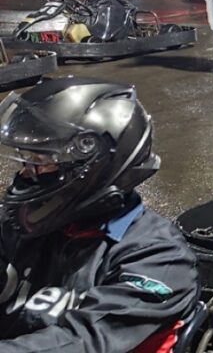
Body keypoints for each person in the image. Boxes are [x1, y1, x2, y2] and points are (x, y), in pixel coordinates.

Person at [0, 77, 200, 352]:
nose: (25, 175)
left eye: (40, 163)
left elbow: (82, 343)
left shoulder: (159, 258)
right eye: (26, 160)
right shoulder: (23, 226)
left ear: (92, 168)